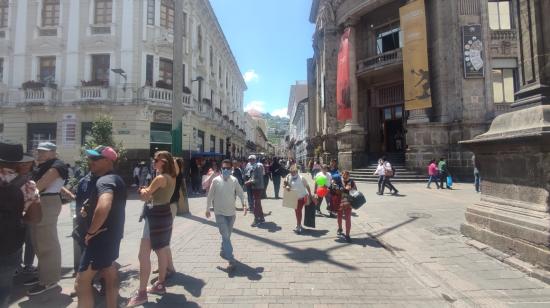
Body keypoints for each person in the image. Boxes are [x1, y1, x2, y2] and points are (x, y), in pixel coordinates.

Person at [75, 146, 126, 308]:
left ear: (107, 161)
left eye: (95, 159)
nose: (90, 162)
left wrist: (91, 231)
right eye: (90, 158)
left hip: (99, 240)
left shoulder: (105, 180)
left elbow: (104, 205)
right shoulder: (115, 179)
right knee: (109, 273)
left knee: (81, 283)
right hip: (110, 238)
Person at [127, 151, 176, 307]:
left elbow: (145, 196)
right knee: (161, 250)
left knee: (143, 255)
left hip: (155, 217)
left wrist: (141, 189)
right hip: (165, 214)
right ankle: (160, 285)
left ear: (163, 162)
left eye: (156, 160)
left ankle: (141, 293)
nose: (153, 162)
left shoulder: (160, 178)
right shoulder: (171, 177)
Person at [0, 142, 41, 308]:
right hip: (9, 244)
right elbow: (36, 218)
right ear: (18, 162)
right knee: (3, 288)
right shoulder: (28, 186)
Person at [26, 142, 68, 295]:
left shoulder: (56, 166)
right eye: (39, 151)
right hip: (40, 201)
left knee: (47, 242)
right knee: (38, 241)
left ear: (53, 152)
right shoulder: (44, 165)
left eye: (44, 151)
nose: (40, 153)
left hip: (47, 202)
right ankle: (43, 275)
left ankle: (49, 280)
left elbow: (40, 185)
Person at [205, 159, 247, 271]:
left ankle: (223, 250)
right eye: (224, 168)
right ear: (221, 169)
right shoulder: (215, 180)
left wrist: (244, 205)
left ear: (231, 169)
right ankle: (231, 260)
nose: (226, 170)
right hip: (219, 213)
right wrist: (207, 209)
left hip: (231, 214)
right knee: (226, 236)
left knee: (227, 235)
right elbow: (210, 195)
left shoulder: (234, 180)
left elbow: (240, 193)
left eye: (228, 168)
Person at [15, 157, 38, 275]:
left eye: (28, 163)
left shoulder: (34, 175)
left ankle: (28, 264)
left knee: (30, 240)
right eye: (23, 163)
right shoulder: (12, 175)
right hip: (16, 213)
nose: (25, 165)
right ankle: (17, 265)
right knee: (17, 240)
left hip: (29, 211)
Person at [283, 165, 314, 234]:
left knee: (298, 211)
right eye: (291, 172)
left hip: (302, 197)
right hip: (294, 197)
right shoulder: (289, 177)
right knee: (297, 211)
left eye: (293, 172)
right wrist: (287, 187)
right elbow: (286, 184)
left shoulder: (301, 178)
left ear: (296, 171)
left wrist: (310, 195)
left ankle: (299, 225)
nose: (292, 173)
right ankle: (298, 223)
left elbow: (307, 186)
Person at [244, 155, 265, 227]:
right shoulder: (252, 166)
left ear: (255, 160)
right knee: (258, 202)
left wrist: (249, 182)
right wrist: (250, 180)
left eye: (252, 160)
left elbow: (258, 178)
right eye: (249, 160)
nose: (250, 161)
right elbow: (253, 176)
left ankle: (256, 219)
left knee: (256, 203)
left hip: (258, 187)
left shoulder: (258, 167)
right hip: (255, 187)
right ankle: (261, 217)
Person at [338, 171, 356, 243]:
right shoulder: (339, 181)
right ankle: (340, 228)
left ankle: (347, 235)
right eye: (343, 175)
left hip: (348, 203)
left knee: (348, 219)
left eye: (345, 175)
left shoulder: (351, 182)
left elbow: (355, 191)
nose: (344, 176)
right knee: (339, 217)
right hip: (339, 202)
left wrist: (351, 189)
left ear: (348, 175)